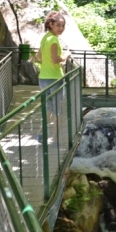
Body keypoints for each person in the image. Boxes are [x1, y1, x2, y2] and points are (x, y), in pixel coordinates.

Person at [35, 11, 71, 143]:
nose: (61, 29)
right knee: (57, 111)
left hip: (43, 78)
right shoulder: (54, 40)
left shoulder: (45, 38)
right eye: (58, 25)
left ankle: (40, 134)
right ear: (51, 24)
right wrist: (66, 55)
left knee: (49, 109)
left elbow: (38, 57)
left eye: (62, 26)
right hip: (55, 79)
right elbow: (57, 59)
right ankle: (55, 140)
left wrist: (47, 64)